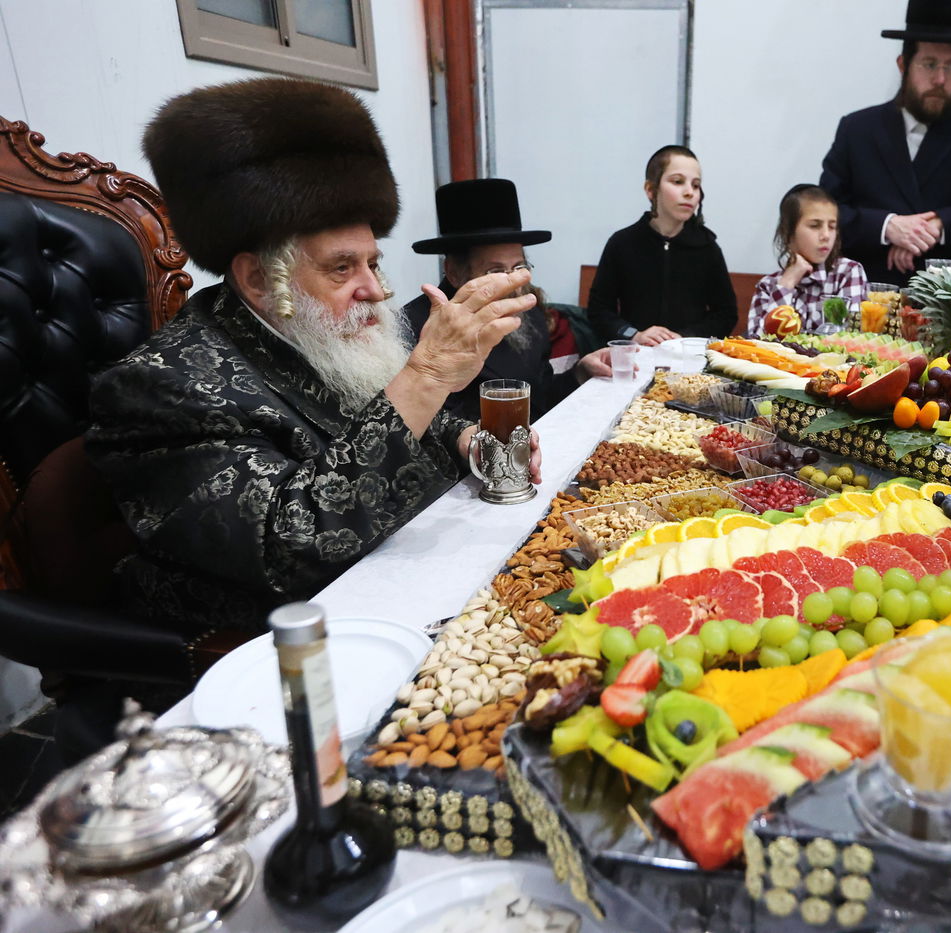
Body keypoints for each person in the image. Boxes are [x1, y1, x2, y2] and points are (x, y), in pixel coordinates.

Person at [86, 77, 539, 635]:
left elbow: (365, 410)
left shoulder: (308, 329)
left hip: (381, 594)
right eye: (342, 268)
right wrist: (425, 376)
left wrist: (465, 439)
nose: (375, 289)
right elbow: (289, 546)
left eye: (373, 262)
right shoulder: (160, 388)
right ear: (257, 279)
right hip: (260, 653)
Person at [819, 0, 951, 281]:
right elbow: (827, 209)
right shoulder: (857, 128)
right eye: (929, 64)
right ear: (903, 65)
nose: (940, 79)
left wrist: (939, 224)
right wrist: (888, 227)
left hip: (944, 296)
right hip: (862, 290)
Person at [404, 179, 614, 421]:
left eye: (519, 267)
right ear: (453, 273)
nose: (512, 283)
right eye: (495, 272)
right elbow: (431, 431)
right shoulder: (416, 329)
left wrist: (579, 373)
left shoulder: (529, 314)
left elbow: (539, 400)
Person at [587, 145, 738, 346]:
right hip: (636, 355)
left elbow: (726, 314)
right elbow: (599, 310)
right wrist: (634, 334)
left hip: (689, 358)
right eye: (678, 182)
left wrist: (686, 337)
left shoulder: (707, 247)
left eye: (695, 185)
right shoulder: (622, 243)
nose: (689, 192)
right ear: (651, 189)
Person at [746, 184, 867, 335]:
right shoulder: (768, 286)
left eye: (832, 226)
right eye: (815, 226)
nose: (826, 235)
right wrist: (786, 285)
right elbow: (759, 344)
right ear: (788, 232)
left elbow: (848, 337)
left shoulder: (848, 272)